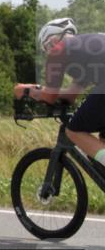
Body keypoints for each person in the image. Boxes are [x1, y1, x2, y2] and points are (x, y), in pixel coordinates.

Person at [14, 17, 105, 172]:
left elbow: (49, 96)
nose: (48, 53)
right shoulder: (85, 50)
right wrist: (43, 90)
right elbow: (70, 95)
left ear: (52, 40)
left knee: (73, 131)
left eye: (46, 48)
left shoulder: (60, 48)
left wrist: (27, 89)